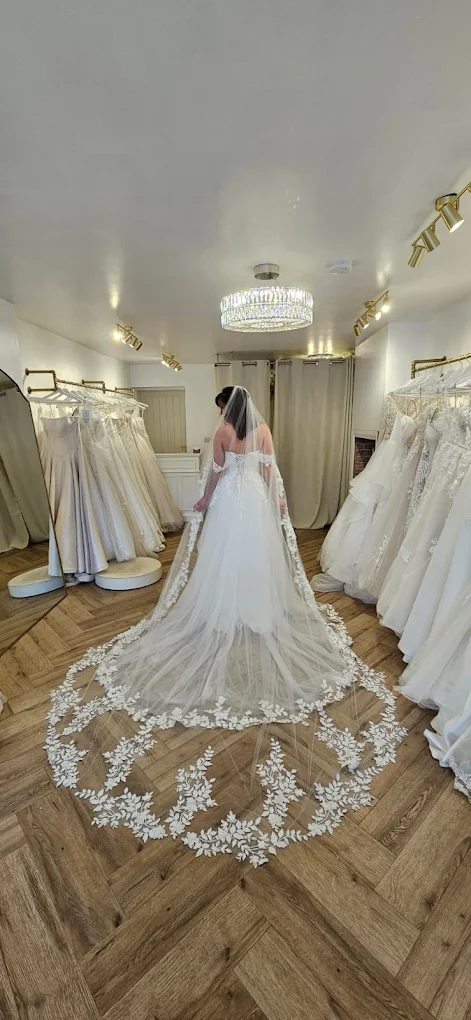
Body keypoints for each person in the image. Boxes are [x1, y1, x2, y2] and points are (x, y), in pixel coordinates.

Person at [46, 386, 405, 864]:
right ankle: (259, 612)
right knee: (257, 561)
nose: (219, 413)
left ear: (224, 409)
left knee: (224, 563)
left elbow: (214, 478)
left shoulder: (222, 433)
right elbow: (270, 471)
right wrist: (278, 507)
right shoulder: (263, 429)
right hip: (255, 501)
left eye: (219, 406)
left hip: (232, 502)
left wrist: (203, 505)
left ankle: (223, 612)